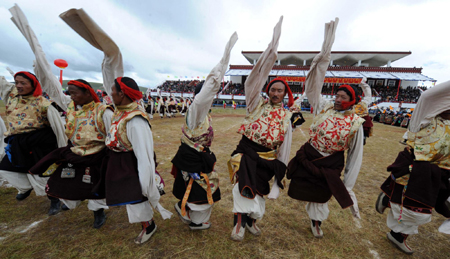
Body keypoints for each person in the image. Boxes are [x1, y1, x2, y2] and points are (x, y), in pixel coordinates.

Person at [286, 18, 369, 238]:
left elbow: (355, 155)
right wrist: (321, 60)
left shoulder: (356, 123)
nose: (338, 99)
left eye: (344, 97)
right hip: (311, 155)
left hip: (330, 161)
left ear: (352, 101)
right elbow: (313, 89)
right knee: (303, 187)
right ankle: (311, 214)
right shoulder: (323, 107)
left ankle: (316, 221)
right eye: (337, 95)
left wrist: (348, 184)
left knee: (322, 194)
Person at [227, 17, 294, 242]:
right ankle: (238, 224)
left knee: (260, 191)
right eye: (273, 89)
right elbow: (251, 82)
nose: (276, 94)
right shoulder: (255, 104)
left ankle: (252, 221)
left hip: (266, 159)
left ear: (285, 95)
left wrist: (279, 175)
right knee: (241, 187)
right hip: (246, 152)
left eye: (280, 91)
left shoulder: (287, 117)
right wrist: (270, 53)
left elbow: (285, 148)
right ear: (268, 91)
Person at [375, 80, 450, 255]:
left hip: (439, 175)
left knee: (421, 209)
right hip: (415, 171)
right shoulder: (423, 119)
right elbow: (427, 96)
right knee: (414, 210)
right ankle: (388, 202)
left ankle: (398, 235)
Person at [171, 32, 237, 230]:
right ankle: (197, 220)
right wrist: (219, 72)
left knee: (196, 186)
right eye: (210, 95)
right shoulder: (196, 109)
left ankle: (188, 211)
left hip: (196, 156)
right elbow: (203, 98)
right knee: (201, 187)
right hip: (193, 158)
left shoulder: (202, 113)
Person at [30, 79, 113, 229]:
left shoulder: (103, 111)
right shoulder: (71, 108)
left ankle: (98, 211)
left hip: (97, 155)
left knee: (95, 186)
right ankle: (71, 199)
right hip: (75, 152)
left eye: (74, 93)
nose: (71, 96)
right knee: (67, 181)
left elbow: (111, 136)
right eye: (70, 93)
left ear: (87, 92)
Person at [105, 77, 172, 244]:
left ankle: (148, 226)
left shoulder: (135, 120)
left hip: (131, 163)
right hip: (120, 161)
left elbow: (143, 154)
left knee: (136, 195)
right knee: (128, 194)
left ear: (122, 94)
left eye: (113, 90)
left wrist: (144, 183)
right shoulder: (121, 110)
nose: (110, 93)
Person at [0, 71, 66, 215]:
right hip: (17, 142)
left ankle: (54, 199)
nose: (18, 86)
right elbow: (1, 83)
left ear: (33, 84)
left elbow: (57, 127)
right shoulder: (11, 96)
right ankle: (25, 187)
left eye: (23, 83)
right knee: (6, 168)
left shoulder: (43, 103)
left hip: (39, 144)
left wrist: (61, 149)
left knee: (43, 174)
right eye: (16, 82)